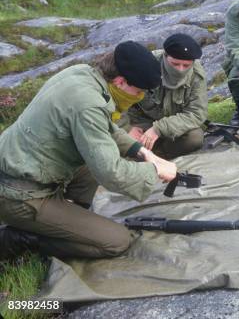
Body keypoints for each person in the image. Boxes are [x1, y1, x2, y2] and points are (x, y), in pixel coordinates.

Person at [0, 41, 177, 260]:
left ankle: (70, 218)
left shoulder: (82, 74)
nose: (140, 97)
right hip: (20, 195)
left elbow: (105, 127)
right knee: (116, 241)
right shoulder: (89, 104)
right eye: (139, 91)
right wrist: (155, 171)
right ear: (121, 82)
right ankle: (20, 237)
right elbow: (111, 173)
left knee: (95, 157)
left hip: (20, 166)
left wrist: (142, 152)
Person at [126, 34, 207, 159]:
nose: (180, 70)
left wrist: (159, 129)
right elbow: (120, 98)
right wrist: (128, 128)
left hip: (173, 127)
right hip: (141, 123)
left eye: (186, 66)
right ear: (165, 56)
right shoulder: (145, 65)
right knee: (117, 138)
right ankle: (138, 153)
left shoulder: (196, 76)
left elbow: (196, 114)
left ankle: (158, 156)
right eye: (175, 64)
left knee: (195, 137)